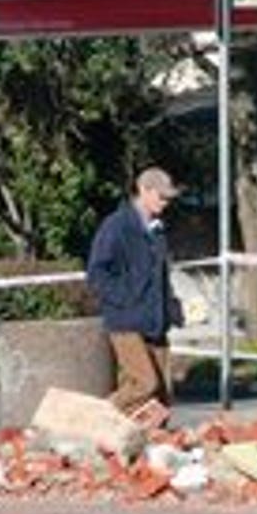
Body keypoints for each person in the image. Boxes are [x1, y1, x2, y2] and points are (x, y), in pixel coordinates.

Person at [87, 167, 184, 424]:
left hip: (156, 321)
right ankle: (95, 417)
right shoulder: (116, 226)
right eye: (161, 197)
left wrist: (172, 308)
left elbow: (160, 277)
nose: (166, 203)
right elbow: (97, 273)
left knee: (161, 397)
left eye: (168, 198)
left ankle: (142, 444)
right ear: (143, 190)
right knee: (144, 383)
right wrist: (126, 300)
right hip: (125, 322)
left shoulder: (158, 230)